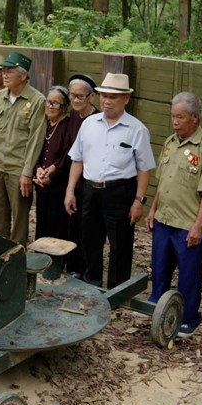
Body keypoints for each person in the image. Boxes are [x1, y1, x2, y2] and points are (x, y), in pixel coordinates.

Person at [64, 73, 157, 289]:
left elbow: (144, 168)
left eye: (113, 97)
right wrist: (70, 191)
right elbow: (77, 159)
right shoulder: (89, 124)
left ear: (126, 99)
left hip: (120, 191)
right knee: (90, 239)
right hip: (90, 189)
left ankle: (117, 289)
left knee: (120, 243)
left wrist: (139, 200)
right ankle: (91, 284)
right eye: (104, 96)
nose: (107, 101)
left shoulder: (137, 129)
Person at [145, 92, 202, 339]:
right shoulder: (170, 142)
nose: (175, 122)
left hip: (188, 223)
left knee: (188, 274)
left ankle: (188, 318)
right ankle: (157, 304)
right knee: (160, 266)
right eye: (172, 116)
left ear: (194, 117)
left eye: (180, 117)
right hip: (164, 218)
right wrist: (153, 209)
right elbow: (163, 180)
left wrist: (199, 225)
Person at [0, 51, 47, 246]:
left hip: (18, 169)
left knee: (19, 219)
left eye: (9, 71)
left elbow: (35, 140)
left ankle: (17, 255)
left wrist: (27, 172)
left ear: (23, 76)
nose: (4, 75)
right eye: (4, 71)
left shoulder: (37, 100)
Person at [64, 74, 99, 277]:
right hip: (72, 179)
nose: (75, 100)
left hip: (90, 181)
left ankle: (86, 270)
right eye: (72, 95)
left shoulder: (98, 118)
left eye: (80, 96)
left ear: (91, 97)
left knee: (88, 227)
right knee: (72, 224)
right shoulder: (73, 116)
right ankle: (73, 267)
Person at [31, 86, 74, 242]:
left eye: (56, 103)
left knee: (56, 226)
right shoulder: (44, 124)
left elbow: (68, 154)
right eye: (48, 102)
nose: (50, 106)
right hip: (42, 184)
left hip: (59, 186)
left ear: (63, 107)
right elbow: (35, 150)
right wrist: (38, 169)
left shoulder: (67, 126)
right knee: (42, 224)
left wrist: (53, 173)